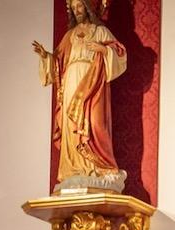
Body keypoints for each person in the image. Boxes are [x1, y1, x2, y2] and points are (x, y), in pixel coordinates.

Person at [32, 0, 127, 191]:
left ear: (88, 7)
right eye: (73, 8)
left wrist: (103, 49)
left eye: (80, 6)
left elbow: (120, 54)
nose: (77, 11)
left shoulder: (100, 32)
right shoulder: (70, 35)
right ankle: (73, 170)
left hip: (92, 82)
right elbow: (57, 62)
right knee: (70, 126)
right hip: (70, 82)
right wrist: (45, 56)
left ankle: (98, 168)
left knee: (95, 123)